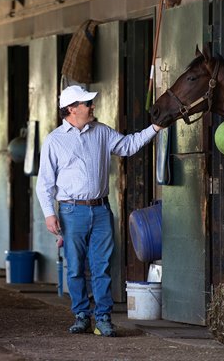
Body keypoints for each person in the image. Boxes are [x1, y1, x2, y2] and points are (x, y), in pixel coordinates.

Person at [36, 85, 163, 337]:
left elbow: (128, 146)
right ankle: (82, 314)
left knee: (102, 266)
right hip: (71, 211)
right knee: (74, 267)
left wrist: (155, 128)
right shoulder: (54, 140)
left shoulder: (102, 132)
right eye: (86, 104)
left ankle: (103, 317)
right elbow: (45, 183)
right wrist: (49, 214)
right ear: (72, 109)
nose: (91, 106)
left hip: (102, 209)